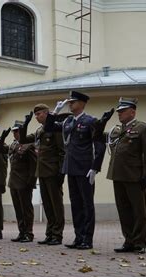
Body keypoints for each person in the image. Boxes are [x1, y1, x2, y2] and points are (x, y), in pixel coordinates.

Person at [45, 91, 107, 250]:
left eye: (73, 102)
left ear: (82, 103)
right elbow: (49, 127)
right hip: (70, 168)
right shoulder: (68, 121)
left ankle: (87, 239)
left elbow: (100, 144)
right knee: (76, 205)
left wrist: (95, 167)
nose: (70, 104)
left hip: (85, 168)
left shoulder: (91, 121)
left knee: (87, 205)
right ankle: (79, 237)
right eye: (69, 102)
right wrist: (54, 112)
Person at [107, 97, 146, 254]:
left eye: (122, 111)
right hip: (117, 175)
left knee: (138, 210)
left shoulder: (143, 128)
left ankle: (139, 242)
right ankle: (128, 241)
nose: (119, 114)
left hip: (135, 176)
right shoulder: (116, 130)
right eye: (118, 111)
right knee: (123, 210)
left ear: (132, 112)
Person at [19, 104, 65, 246]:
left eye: (39, 114)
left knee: (56, 204)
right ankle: (50, 233)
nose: (37, 117)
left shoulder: (55, 128)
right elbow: (23, 140)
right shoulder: (39, 131)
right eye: (36, 115)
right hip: (42, 172)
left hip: (53, 171)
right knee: (47, 205)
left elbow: (62, 151)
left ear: (46, 113)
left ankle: (57, 234)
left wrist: (61, 173)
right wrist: (24, 125)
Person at [8, 120, 37, 243]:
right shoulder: (13, 145)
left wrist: (31, 182)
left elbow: (34, 165)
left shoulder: (29, 145)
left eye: (17, 131)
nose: (15, 134)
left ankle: (28, 233)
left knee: (26, 209)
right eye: (14, 132)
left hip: (24, 182)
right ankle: (21, 232)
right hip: (14, 182)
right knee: (18, 208)